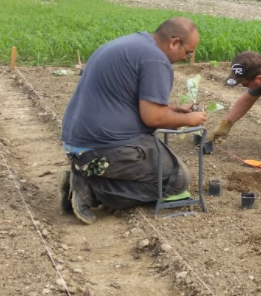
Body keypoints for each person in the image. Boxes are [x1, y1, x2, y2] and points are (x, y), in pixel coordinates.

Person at [59, 17, 207, 225]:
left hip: (78, 142)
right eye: (188, 52)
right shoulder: (156, 59)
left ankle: (88, 177)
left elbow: (133, 102)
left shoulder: (134, 44)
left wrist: (176, 110)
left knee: (161, 163)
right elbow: (153, 117)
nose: (186, 57)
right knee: (176, 179)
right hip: (102, 147)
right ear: (174, 42)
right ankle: (91, 190)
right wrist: (190, 120)